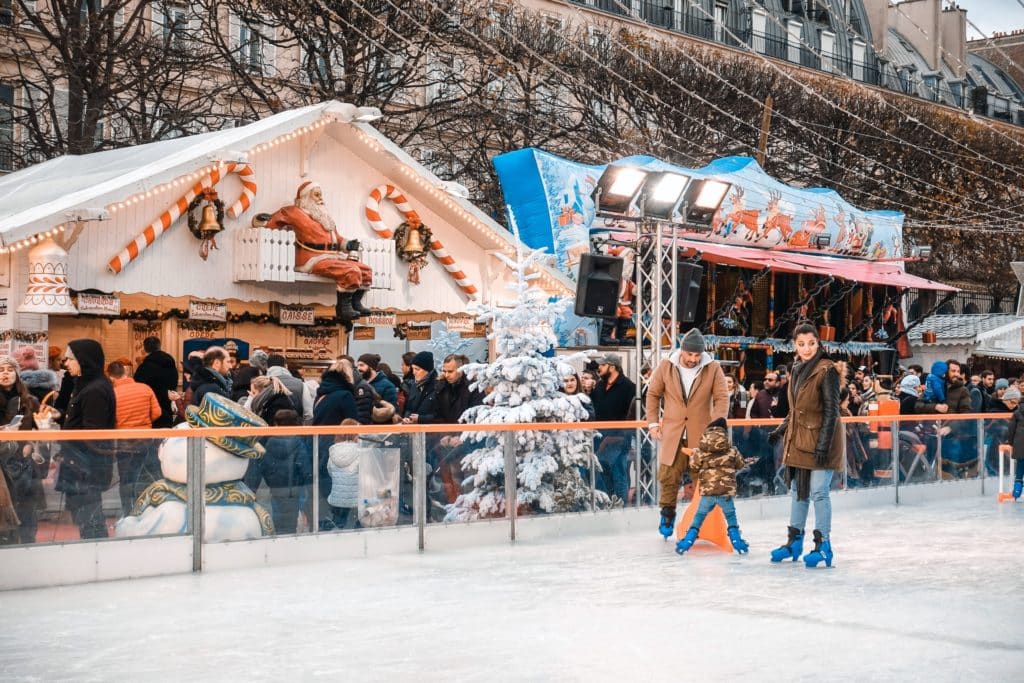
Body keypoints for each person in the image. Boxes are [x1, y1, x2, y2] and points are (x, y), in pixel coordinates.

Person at [767, 323, 842, 568]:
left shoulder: (826, 370)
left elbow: (832, 412)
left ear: (818, 343)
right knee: (798, 492)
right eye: (801, 344)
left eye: (811, 343)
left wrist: (823, 446)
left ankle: (823, 545)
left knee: (819, 492)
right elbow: (796, 410)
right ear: (794, 346)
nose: (807, 348)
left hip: (823, 440)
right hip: (799, 441)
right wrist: (780, 430)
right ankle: (794, 542)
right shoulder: (796, 369)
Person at [646, 328, 728, 538]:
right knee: (668, 477)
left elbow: (721, 398)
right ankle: (667, 514)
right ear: (682, 350)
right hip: (673, 432)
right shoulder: (666, 366)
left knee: (703, 479)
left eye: (697, 355)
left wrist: (717, 427)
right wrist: (653, 423)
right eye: (690, 354)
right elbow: (653, 394)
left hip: (701, 435)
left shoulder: (713, 368)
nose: (693, 359)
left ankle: (704, 521)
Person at [266, 181, 373, 322]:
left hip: (332, 257)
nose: (320, 198)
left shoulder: (323, 217)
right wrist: (264, 226)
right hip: (311, 258)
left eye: (320, 195)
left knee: (365, 270)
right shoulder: (294, 212)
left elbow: (336, 239)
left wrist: (348, 244)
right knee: (351, 271)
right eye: (316, 195)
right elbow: (272, 221)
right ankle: (343, 308)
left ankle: (355, 303)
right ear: (305, 197)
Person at [55, 340, 117, 539]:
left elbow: (93, 433)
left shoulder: (94, 390)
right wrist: (61, 415)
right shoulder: (86, 385)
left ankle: (96, 552)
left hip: (86, 468)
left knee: (90, 516)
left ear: (84, 361)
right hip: (81, 465)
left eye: (70, 359)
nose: (66, 363)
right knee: (85, 515)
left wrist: (69, 446)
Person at [674, 418, 751, 555]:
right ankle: (738, 542)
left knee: (698, 518)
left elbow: (694, 467)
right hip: (725, 494)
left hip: (707, 494)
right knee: (731, 517)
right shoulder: (732, 450)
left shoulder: (700, 451)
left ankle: (686, 543)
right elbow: (740, 465)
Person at [0, 356, 45, 544]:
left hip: (25, 464)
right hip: (1, 467)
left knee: (27, 512)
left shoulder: (30, 401)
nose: (5, 373)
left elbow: (41, 431)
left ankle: (28, 549)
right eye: (1, 369)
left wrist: (32, 444)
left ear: (17, 374)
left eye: (10, 369)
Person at [107, 361, 161, 516]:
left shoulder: (113, 394)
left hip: (125, 442)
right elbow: (157, 413)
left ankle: (128, 512)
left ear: (111, 377)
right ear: (126, 373)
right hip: (146, 439)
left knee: (126, 480)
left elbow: (112, 420)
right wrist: (144, 422)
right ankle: (152, 510)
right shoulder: (145, 388)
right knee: (150, 476)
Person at [590, 352, 637, 505]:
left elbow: (632, 416)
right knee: (603, 476)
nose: (599, 368)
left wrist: (623, 438)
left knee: (620, 475)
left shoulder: (629, 387)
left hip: (619, 440)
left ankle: (621, 507)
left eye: (602, 365)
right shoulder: (599, 385)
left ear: (612, 367)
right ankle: (607, 505)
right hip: (599, 438)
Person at [259, 409, 313, 534]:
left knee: (278, 520)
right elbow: (306, 470)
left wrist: (271, 481)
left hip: (276, 489)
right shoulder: (299, 443)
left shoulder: (270, 442)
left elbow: (264, 467)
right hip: (293, 490)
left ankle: (279, 539)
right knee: (291, 521)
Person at [132, 336, 179, 428]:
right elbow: (174, 381)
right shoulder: (170, 363)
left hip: (150, 408)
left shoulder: (144, 367)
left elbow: (137, 386)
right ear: (159, 346)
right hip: (166, 405)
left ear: (145, 349)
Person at [326, 418, 363, 530]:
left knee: (339, 524)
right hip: (357, 500)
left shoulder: (333, 451)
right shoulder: (360, 451)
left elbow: (330, 471)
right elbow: (365, 474)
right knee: (358, 527)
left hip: (336, 499)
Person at [266, 354, 314, 424]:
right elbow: (309, 414)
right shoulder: (301, 384)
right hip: (295, 430)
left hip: (268, 432)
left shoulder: (263, 383)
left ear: (267, 368)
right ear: (286, 366)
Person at [402, 351, 439, 425]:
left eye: (417, 369)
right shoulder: (414, 386)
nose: (414, 372)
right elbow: (408, 408)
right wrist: (406, 418)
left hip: (431, 432)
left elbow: (441, 416)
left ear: (427, 370)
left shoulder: (438, 386)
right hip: (414, 431)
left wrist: (421, 419)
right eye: (413, 369)